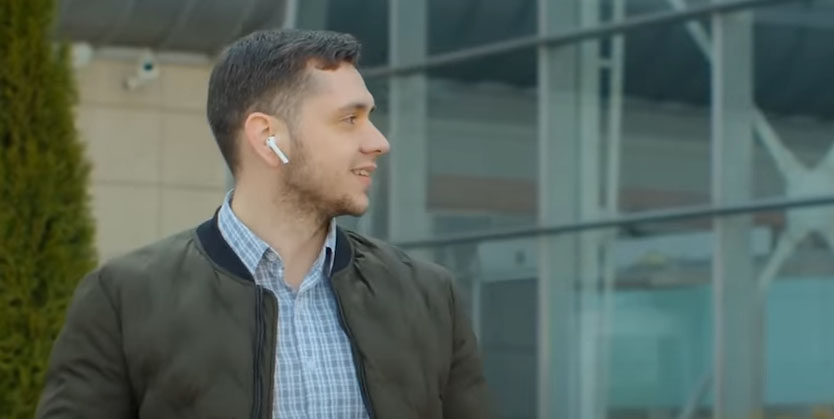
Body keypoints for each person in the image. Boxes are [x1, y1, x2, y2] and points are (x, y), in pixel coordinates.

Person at [36, 29, 491, 419]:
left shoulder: (429, 296)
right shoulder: (125, 299)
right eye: (349, 119)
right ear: (268, 138)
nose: (378, 141)